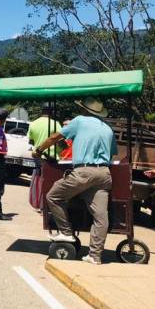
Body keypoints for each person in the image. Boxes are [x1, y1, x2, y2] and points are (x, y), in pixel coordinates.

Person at [34, 97, 117, 265]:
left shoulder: (80, 121)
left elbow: (56, 136)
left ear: (85, 110)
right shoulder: (108, 129)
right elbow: (113, 154)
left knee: (53, 196)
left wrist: (39, 149)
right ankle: (95, 256)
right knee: (101, 217)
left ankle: (66, 232)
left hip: (84, 172)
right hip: (104, 174)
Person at [27, 104, 63, 212]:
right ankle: (47, 205)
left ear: (42, 111)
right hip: (53, 158)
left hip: (38, 156)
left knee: (39, 179)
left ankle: (39, 203)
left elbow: (31, 142)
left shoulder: (33, 124)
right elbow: (61, 141)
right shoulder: (56, 124)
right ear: (51, 112)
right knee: (51, 182)